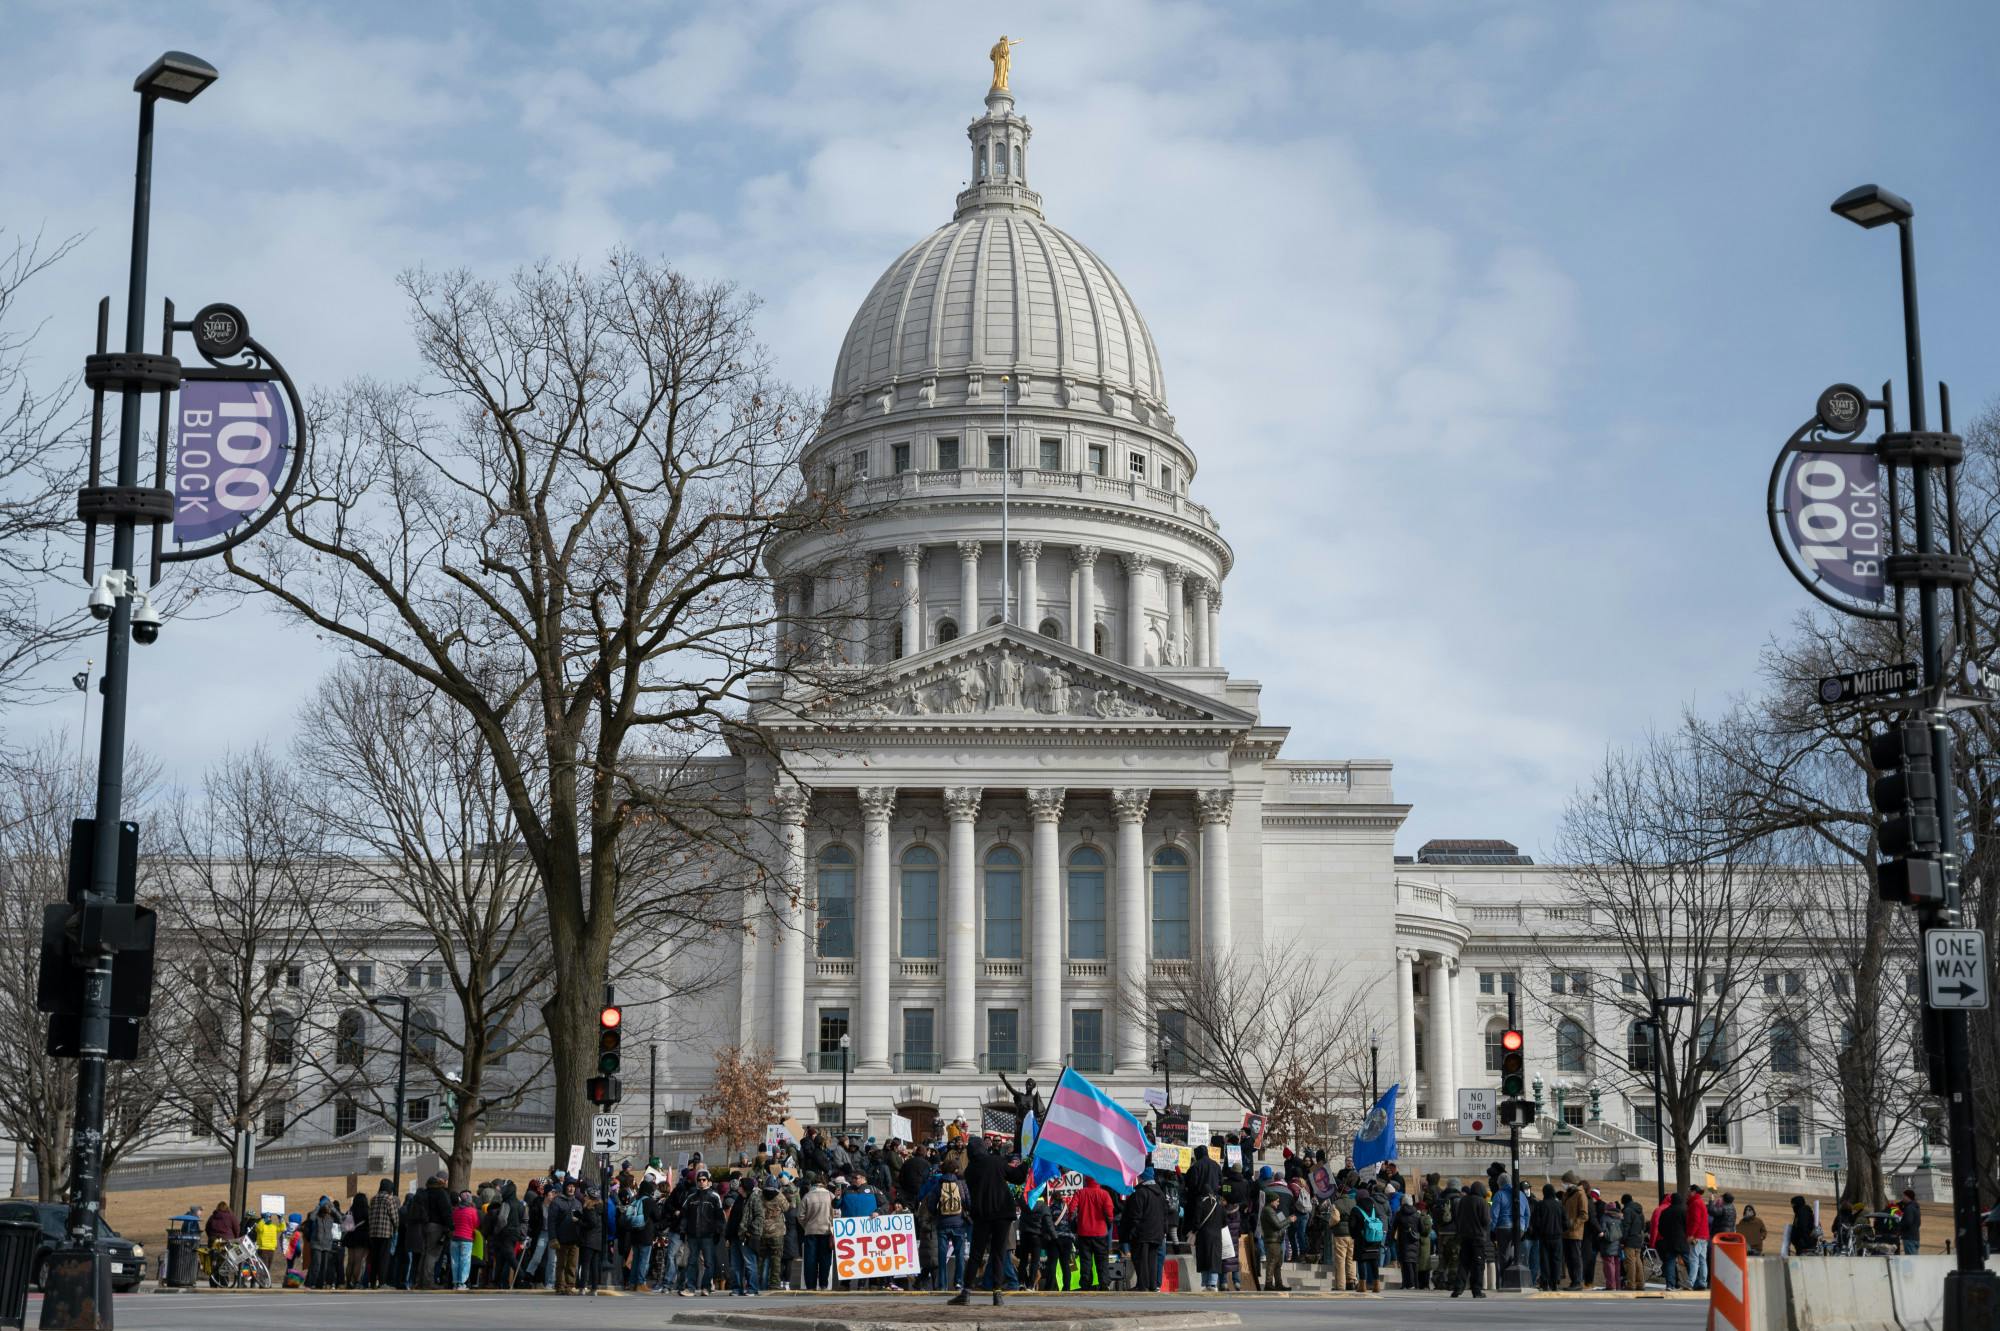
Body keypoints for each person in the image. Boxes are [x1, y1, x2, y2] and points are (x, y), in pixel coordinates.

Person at [947, 1135, 1011, 1306]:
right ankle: (997, 1294)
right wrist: (1027, 1163)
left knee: (976, 1254)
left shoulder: (970, 1170)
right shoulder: (997, 1161)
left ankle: (966, 1292)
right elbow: (1017, 1177)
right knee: (998, 1253)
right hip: (1002, 1214)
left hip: (983, 1215)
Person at [1123, 1169, 1168, 1292]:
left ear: (1142, 1178)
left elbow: (1135, 1216)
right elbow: (1165, 1214)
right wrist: (1164, 1230)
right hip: (1157, 1233)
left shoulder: (1140, 1193)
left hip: (1143, 1233)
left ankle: (1142, 1285)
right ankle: (1152, 1285)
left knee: (1141, 1259)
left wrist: (1133, 1231)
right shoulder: (1160, 1193)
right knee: (1152, 1260)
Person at [1071, 1175, 1114, 1290]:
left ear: (1086, 1180)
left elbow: (1072, 1210)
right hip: (1100, 1233)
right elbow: (1110, 1214)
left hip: (1083, 1232)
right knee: (1102, 1260)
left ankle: (1085, 1283)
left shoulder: (1080, 1193)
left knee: (1086, 1260)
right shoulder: (1104, 1194)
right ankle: (1104, 1283)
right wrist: (1107, 1224)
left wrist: (1075, 1224)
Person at [1454, 1180, 1493, 1299]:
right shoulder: (1482, 1202)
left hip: (1465, 1237)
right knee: (1478, 1265)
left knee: (1463, 1263)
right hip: (1478, 1238)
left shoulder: (1463, 1201)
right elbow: (1486, 1221)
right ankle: (1477, 1290)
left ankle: (1458, 1288)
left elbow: (1457, 1217)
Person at [800, 1174, 834, 1291]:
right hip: (826, 1231)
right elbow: (836, 1213)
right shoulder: (830, 1195)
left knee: (810, 1260)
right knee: (825, 1259)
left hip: (810, 1231)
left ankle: (811, 1285)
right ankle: (823, 1284)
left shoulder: (807, 1196)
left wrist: (806, 1226)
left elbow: (800, 1216)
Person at [366, 1179, 397, 1287]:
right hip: (385, 1233)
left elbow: (369, 1215)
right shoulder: (389, 1199)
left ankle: (373, 1282)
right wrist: (396, 1228)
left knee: (374, 1258)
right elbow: (394, 1217)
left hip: (373, 1232)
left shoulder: (373, 1199)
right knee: (384, 1258)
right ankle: (382, 1282)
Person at [1655, 1194, 1689, 1290]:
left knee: (1670, 1261)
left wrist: (1666, 1235)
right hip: (1682, 1240)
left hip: (1669, 1240)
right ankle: (1693, 1281)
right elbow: (1687, 1225)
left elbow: (1660, 1227)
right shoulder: (1684, 1211)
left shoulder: (1665, 1212)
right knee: (1688, 1261)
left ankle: (1670, 1285)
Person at [1259, 1191, 1288, 1292]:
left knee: (1277, 1263)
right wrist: (1289, 1220)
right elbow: (1278, 1225)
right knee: (1272, 1262)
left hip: (1276, 1240)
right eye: (1277, 1201)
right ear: (1271, 1201)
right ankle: (1268, 1283)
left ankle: (1279, 1283)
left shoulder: (1270, 1210)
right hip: (1272, 1241)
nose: (1278, 1203)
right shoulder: (1268, 1210)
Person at [578, 1187, 606, 1295]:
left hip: (588, 1239)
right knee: (594, 1265)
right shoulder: (600, 1207)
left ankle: (583, 1287)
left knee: (585, 1264)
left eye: (585, 1195)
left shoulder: (589, 1208)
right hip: (597, 1240)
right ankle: (594, 1288)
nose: (584, 1197)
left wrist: (579, 1222)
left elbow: (592, 1223)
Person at [1597, 1190, 1624, 1290]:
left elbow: (1602, 1231)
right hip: (1617, 1246)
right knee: (1617, 1266)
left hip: (1607, 1245)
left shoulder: (1604, 1218)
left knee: (1609, 1266)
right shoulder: (1620, 1218)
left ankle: (1610, 1286)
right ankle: (1617, 1285)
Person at [1687, 1185, 1712, 1289]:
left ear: (1693, 1192)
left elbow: (1696, 1221)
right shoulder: (1700, 1202)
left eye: (1689, 1191)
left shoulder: (1695, 1203)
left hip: (1697, 1236)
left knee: (1694, 1259)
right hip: (1704, 1235)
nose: (1687, 1194)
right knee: (1702, 1260)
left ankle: (1691, 1282)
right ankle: (1703, 1282)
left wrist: (1691, 1235)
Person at [1898, 1190, 1922, 1255]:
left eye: (1903, 1196)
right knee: (1914, 1259)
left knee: (1911, 1261)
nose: (1902, 1198)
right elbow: (1919, 1223)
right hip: (1915, 1237)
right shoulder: (1916, 1207)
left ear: (1907, 1197)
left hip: (1909, 1238)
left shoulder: (1909, 1208)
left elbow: (1907, 1222)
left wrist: (1899, 1226)